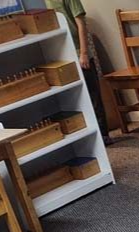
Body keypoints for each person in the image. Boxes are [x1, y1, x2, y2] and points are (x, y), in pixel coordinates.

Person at [46, 1, 110, 143]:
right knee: (78, 97)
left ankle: (103, 134)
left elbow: (81, 24)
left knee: (93, 95)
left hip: (80, 53)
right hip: (64, 54)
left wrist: (84, 53)